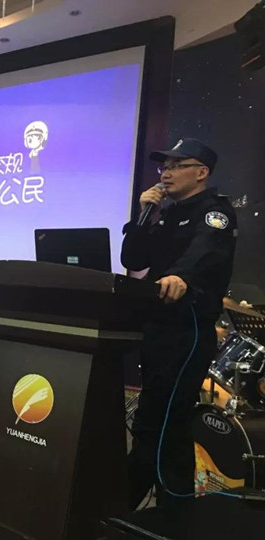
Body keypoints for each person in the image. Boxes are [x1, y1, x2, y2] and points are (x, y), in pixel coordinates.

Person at [121, 138, 237, 509]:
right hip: (157, 328)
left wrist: (181, 277)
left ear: (201, 173)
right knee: (156, 421)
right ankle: (147, 507)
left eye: (176, 166)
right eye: (164, 167)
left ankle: (156, 510)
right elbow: (133, 259)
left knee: (165, 423)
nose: (166, 174)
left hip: (187, 332)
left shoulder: (215, 212)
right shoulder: (167, 213)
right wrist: (143, 216)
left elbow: (206, 250)